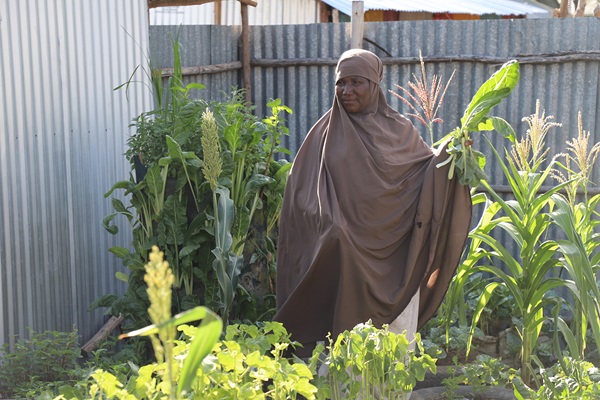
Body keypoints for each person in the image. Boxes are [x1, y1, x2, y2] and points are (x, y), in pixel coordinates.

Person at [274, 48, 472, 358]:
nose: (347, 91)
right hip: (340, 255)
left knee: (386, 358)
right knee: (339, 354)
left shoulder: (400, 130)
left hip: (394, 252)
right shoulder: (323, 136)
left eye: (357, 82)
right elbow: (301, 196)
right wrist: (332, 228)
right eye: (341, 83)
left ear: (374, 85)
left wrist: (452, 151)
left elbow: (425, 172)